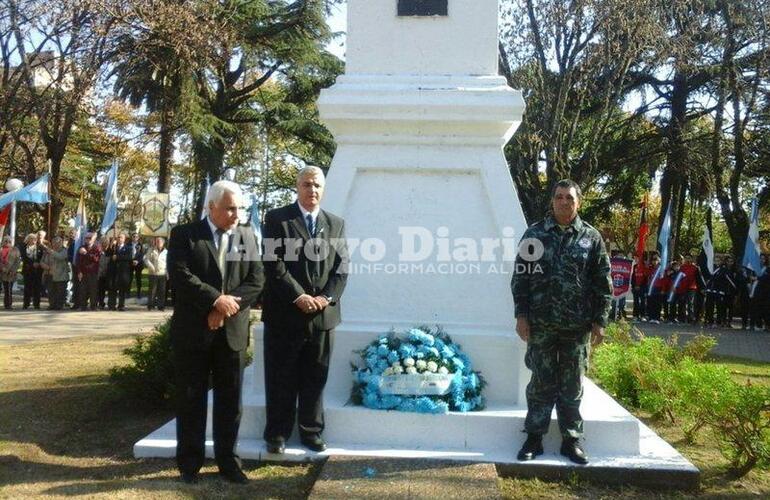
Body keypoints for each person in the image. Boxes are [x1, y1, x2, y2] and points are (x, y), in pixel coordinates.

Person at [167, 180, 264, 485]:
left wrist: (223, 308)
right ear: (212, 207)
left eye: (240, 208)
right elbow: (180, 275)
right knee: (191, 399)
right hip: (193, 332)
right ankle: (189, 464)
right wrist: (214, 300)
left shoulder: (247, 236)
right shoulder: (185, 235)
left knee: (230, 402)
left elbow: (257, 279)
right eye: (230, 208)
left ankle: (229, 463)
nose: (237, 214)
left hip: (231, 333)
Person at [510, 179, 611, 465]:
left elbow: (602, 282)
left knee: (572, 384)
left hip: (576, 326)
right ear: (552, 201)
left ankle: (571, 440)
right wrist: (521, 315)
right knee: (540, 382)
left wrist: (600, 321)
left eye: (569, 197)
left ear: (579, 202)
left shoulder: (591, 237)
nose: (564, 202)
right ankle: (534, 437)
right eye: (559, 197)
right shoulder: (535, 234)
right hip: (541, 324)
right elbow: (521, 277)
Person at [261, 166, 348, 456]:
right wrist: (298, 296)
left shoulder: (336, 224)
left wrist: (325, 298)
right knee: (281, 377)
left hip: (322, 316)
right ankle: (277, 434)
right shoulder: (277, 219)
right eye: (307, 184)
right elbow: (273, 263)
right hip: (285, 315)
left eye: (317, 185)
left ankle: (311, 432)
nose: (312, 190)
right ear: (297, 187)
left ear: (323, 189)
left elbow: (342, 268)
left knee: (315, 378)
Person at [41, 236, 69, 310]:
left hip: (61, 275)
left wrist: (51, 251)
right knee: (51, 291)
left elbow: (60, 257)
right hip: (49, 273)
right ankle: (52, 305)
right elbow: (42, 261)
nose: (56, 244)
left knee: (60, 291)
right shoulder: (48, 251)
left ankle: (59, 305)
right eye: (54, 242)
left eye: (58, 242)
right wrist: (45, 266)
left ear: (61, 243)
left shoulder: (64, 250)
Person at [76, 232, 101, 311]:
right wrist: (79, 271)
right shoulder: (81, 247)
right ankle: (83, 306)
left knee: (93, 290)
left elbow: (95, 259)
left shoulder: (97, 247)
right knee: (83, 290)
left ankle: (93, 306)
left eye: (90, 238)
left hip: (93, 272)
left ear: (93, 239)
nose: (88, 240)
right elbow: (78, 261)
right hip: (83, 272)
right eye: (86, 238)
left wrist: (86, 253)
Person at [108, 233, 133, 311]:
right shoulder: (114, 247)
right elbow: (108, 254)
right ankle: (112, 305)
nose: (119, 239)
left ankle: (121, 305)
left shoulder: (128, 248)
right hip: (114, 272)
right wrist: (111, 245)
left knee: (122, 290)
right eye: (118, 237)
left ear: (124, 239)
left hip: (123, 272)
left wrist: (118, 257)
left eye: (121, 237)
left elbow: (129, 257)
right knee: (113, 289)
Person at [144, 236, 168, 310]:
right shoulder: (151, 250)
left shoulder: (166, 252)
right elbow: (146, 260)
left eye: (159, 242)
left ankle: (161, 306)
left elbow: (168, 263)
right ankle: (150, 305)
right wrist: (152, 267)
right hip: (153, 273)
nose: (157, 243)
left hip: (162, 273)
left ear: (163, 243)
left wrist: (168, 273)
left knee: (162, 291)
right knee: (152, 290)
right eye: (157, 241)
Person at [21, 233, 43, 309]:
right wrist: (32, 263)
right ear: (28, 240)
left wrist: (38, 263)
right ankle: (26, 304)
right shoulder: (24, 247)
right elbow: (24, 257)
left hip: (37, 270)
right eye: (32, 239)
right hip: (28, 270)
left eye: (35, 239)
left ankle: (36, 304)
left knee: (37, 287)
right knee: (27, 287)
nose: (34, 240)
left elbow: (42, 257)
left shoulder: (39, 247)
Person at [1, 235, 21, 310]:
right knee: (6, 289)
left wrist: (13, 270)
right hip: (2, 272)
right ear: (3, 241)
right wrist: (2, 268)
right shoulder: (1, 249)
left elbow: (18, 261)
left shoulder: (15, 249)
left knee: (9, 289)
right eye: (6, 241)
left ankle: (9, 304)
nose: (7, 242)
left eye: (9, 241)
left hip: (11, 273)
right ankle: (6, 304)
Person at [130, 233, 146, 299]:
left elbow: (142, 254)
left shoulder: (141, 245)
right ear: (132, 237)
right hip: (130, 263)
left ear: (138, 238)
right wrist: (131, 261)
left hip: (138, 264)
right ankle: (127, 292)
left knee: (138, 279)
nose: (135, 238)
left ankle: (139, 293)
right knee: (129, 278)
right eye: (134, 236)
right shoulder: (128, 244)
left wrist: (137, 261)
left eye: (136, 237)